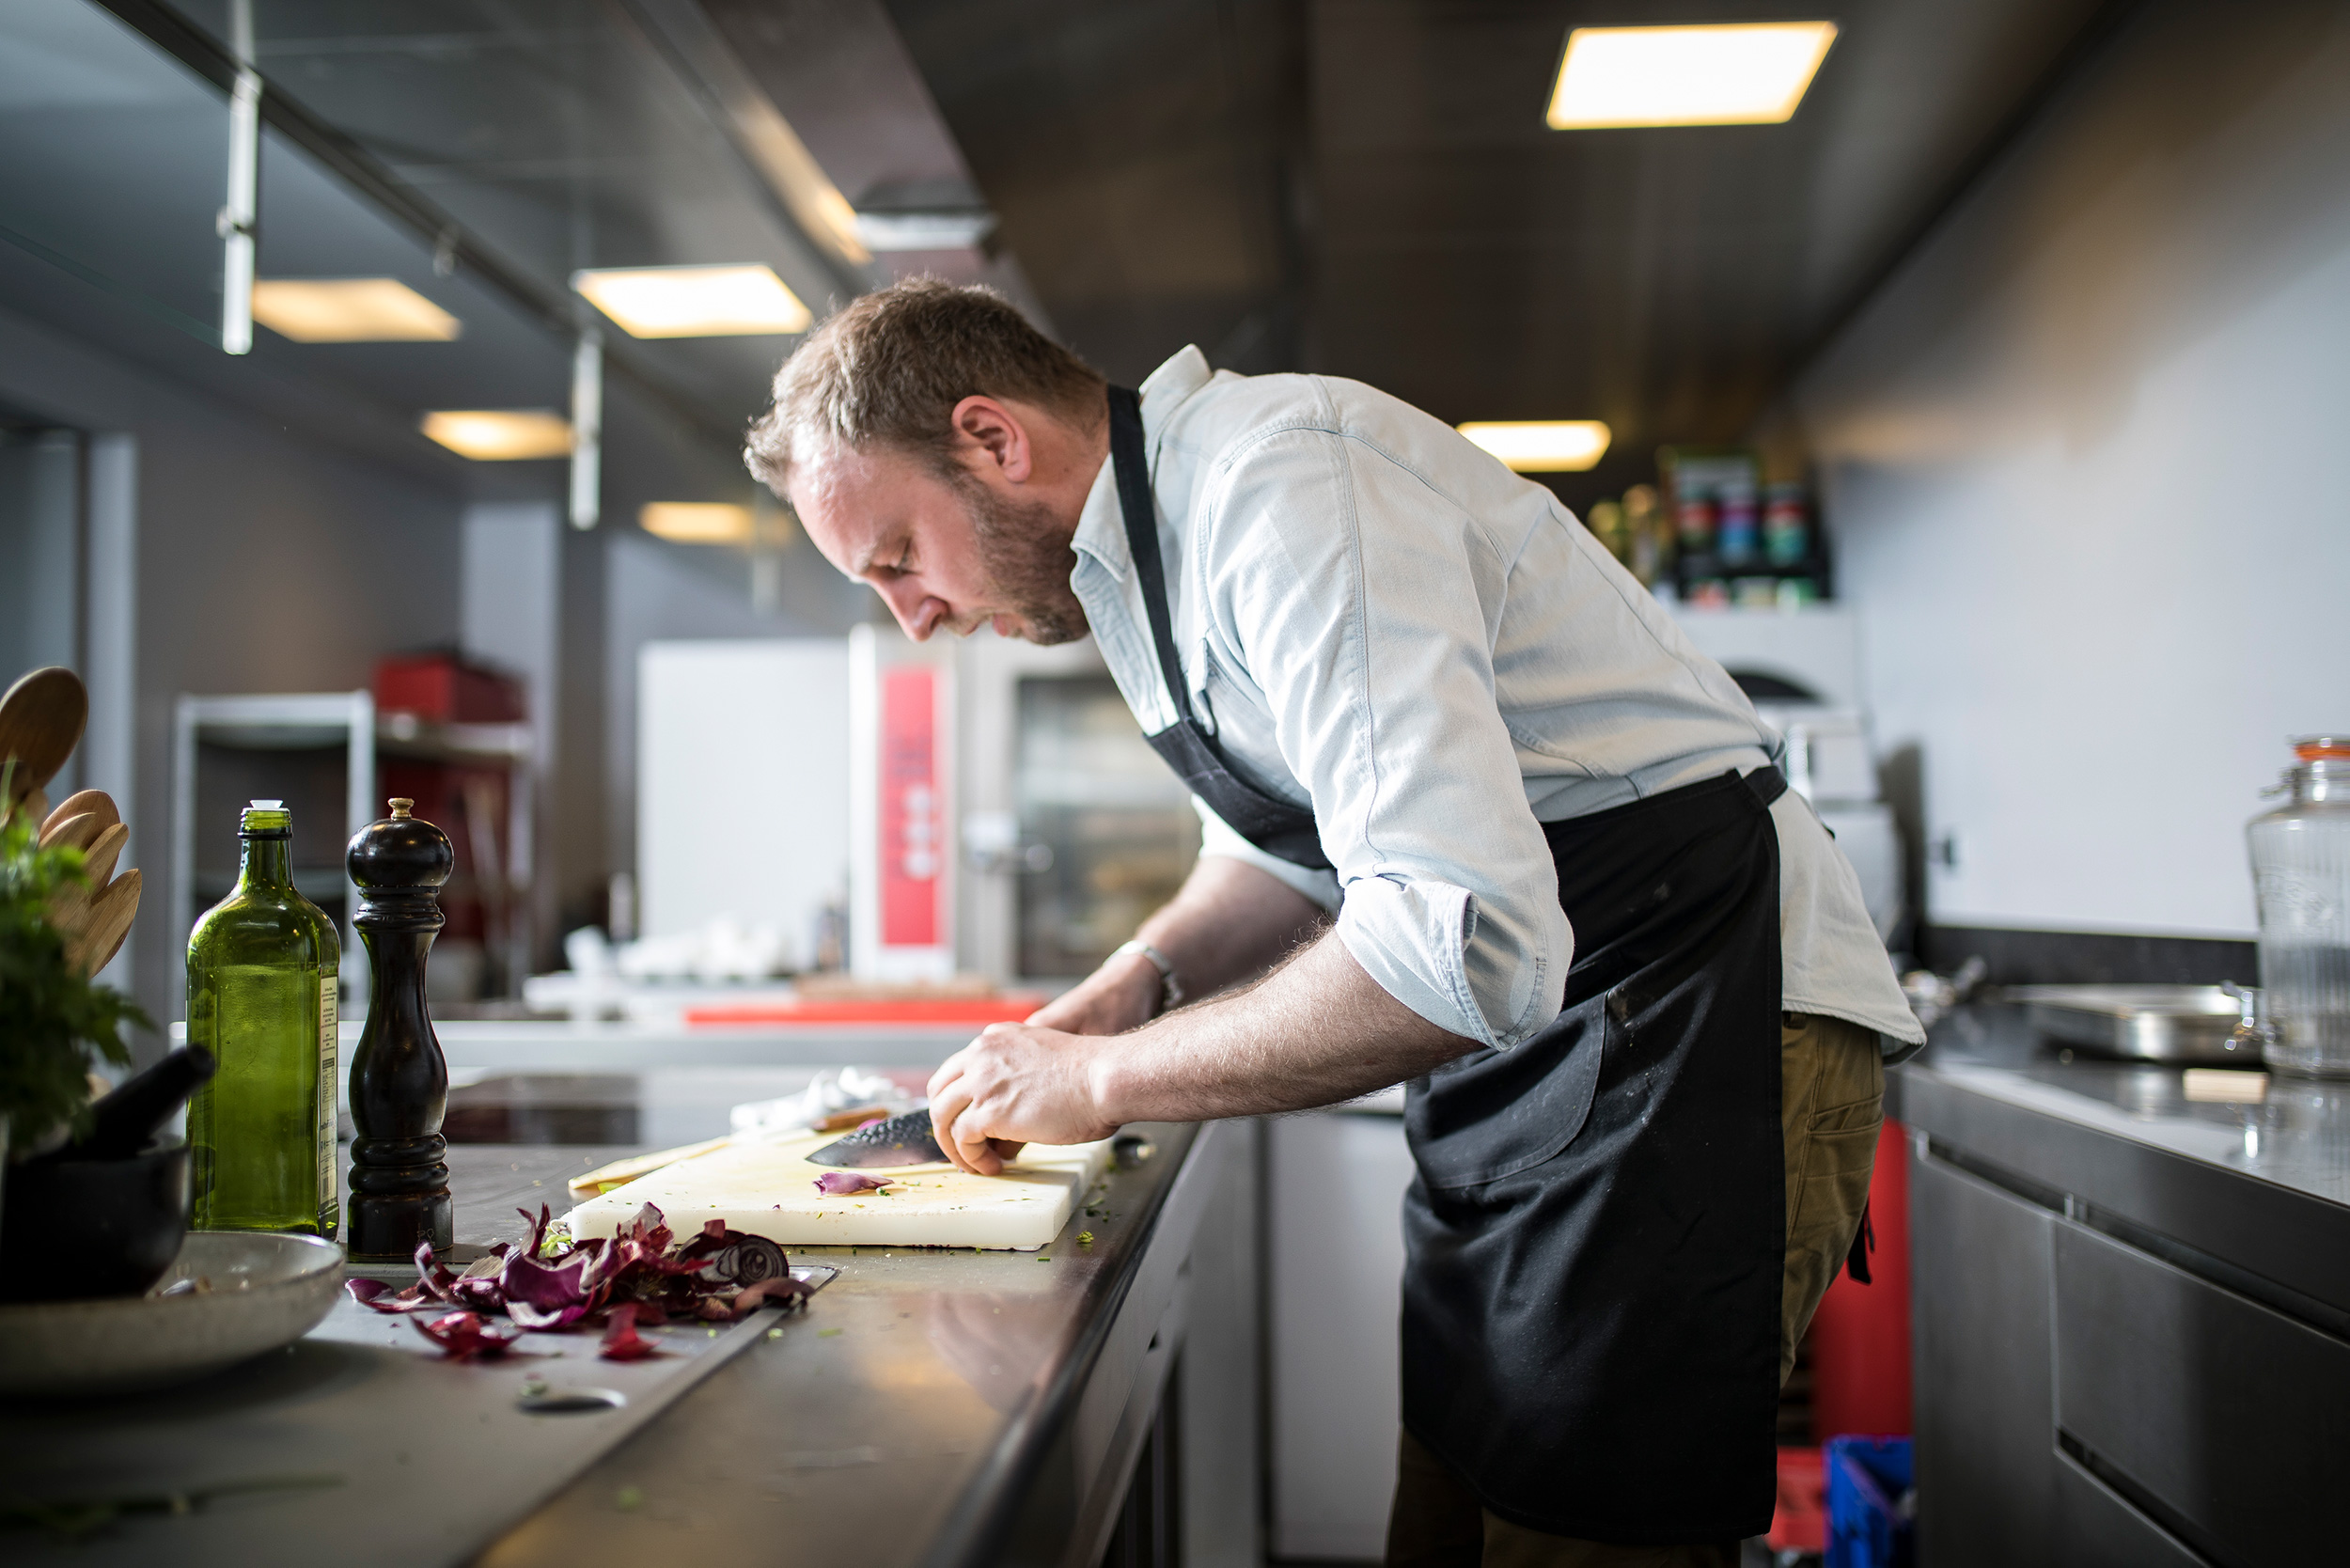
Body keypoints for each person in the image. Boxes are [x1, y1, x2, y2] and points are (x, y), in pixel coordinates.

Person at [745, 278, 1923, 1566]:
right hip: (1541, 1053)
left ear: (992, 439)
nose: (908, 614)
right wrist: (1130, 985)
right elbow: (1282, 849)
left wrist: (1101, 1080)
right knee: (1450, 1509)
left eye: (898, 559)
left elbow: (1450, 940)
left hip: (1691, 1007)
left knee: (1590, 1536)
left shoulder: (1285, 486)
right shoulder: (1140, 566)